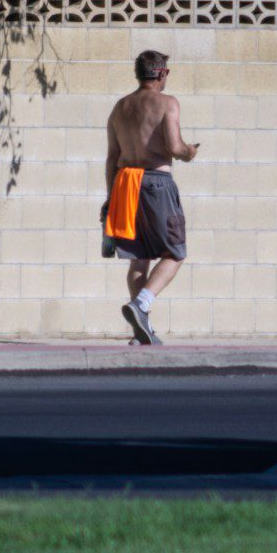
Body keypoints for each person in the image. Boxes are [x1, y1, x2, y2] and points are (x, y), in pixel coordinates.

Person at [103, 49, 200, 345]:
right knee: (175, 252)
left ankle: (140, 332)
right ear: (161, 73)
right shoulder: (167, 103)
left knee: (139, 259)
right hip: (156, 183)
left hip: (124, 185)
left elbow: (111, 157)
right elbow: (174, 147)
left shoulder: (119, 108)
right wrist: (189, 151)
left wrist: (110, 199)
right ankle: (141, 304)